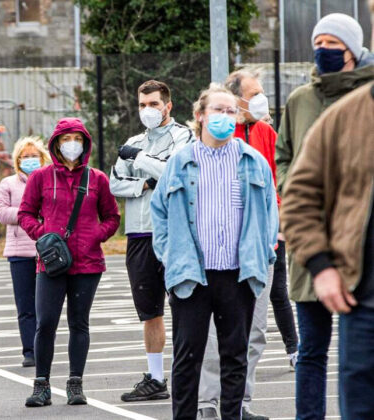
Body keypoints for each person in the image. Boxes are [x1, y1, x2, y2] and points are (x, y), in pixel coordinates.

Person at [150, 85, 278, 420]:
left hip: (238, 275)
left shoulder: (254, 162)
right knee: (187, 358)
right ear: (200, 115)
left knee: (236, 357)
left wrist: (263, 253)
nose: (224, 116)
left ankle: (233, 416)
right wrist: (169, 256)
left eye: (230, 111)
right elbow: (159, 213)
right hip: (192, 275)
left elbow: (268, 213)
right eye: (217, 110)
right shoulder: (180, 163)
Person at [275, 13, 374, 419]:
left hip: (358, 255)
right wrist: (289, 184)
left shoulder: (362, 95)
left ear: (354, 49)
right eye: (320, 43)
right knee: (314, 350)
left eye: (334, 43)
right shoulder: (308, 102)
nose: (324, 51)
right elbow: (287, 163)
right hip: (321, 252)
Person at [190, 70, 290, 420]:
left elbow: (279, 185)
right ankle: (207, 403)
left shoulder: (265, 135)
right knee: (213, 338)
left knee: (255, 333)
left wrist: (275, 233)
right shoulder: (200, 152)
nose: (261, 99)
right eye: (254, 93)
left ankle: (241, 403)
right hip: (213, 260)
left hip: (258, 253)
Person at [18, 117, 120, 407]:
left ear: (85, 143)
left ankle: (76, 383)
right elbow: (26, 213)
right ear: (56, 144)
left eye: (76, 138)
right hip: (50, 263)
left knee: (79, 323)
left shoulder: (97, 179)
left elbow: (112, 217)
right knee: (46, 323)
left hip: (87, 263)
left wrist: (95, 235)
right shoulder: (41, 177)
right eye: (65, 139)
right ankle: (41, 385)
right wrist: (42, 234)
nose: (71, 144)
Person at [110, 80, 195, 403]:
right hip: (139, 234)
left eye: (154, 104)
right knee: (149, 311)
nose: (148, 110)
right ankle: (156, 378)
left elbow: (174, 172)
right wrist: (144, 184)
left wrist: (141, 161)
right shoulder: (131, 140)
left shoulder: (183, 136)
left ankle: (189, 372)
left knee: (185, 305)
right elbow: (116, 183)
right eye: (143, 104)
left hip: (175, 233)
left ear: (168, 106)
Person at [0, 136, 51, 368]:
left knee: (46, 307)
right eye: (25, 157)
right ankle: (29, 351)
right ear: (18, 160)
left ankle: (44, 348)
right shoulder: (8, 184)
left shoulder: (50, 180)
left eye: (33, 156)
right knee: (25, 306)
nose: (29, 160)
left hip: (46, 251)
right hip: (19, 253)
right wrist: (27, 213)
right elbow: (1, 212)